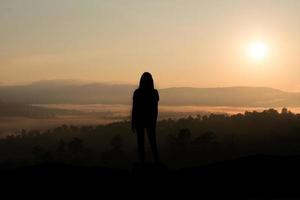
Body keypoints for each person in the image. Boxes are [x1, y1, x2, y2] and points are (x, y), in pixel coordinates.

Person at [131, 72, 160, 164]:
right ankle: (155, 161)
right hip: (148, 120)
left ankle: (144, 162)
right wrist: (154, 121)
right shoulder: (154, 93)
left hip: (142, 120)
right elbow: (155, 110)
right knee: (151, 142)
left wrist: (133, 123)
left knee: (142, 142)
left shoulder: (138, 93)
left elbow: (134, 109)